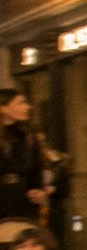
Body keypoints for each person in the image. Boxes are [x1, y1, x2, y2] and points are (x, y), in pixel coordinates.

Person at [0, 89, 47, 225]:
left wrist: (38, 191)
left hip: (24, 205)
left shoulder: (29, 137)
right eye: (21, 103)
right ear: (3, 108)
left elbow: (36, 171)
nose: (28, 107)